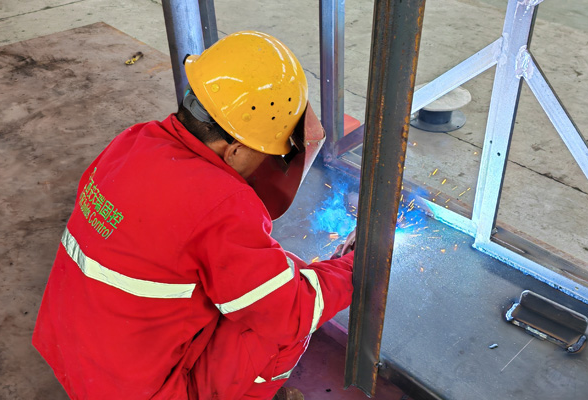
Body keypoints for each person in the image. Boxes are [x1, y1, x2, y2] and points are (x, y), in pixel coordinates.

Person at [33, 30, 357, 400]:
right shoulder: (222, 202)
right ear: (235, 150)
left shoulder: (134, 140)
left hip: (74, 357)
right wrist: (354, 268)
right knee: (284, 320)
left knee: (272, 275)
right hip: (138, 391)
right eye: (266, 151)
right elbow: (289, 312)